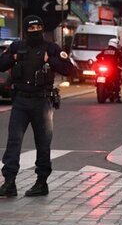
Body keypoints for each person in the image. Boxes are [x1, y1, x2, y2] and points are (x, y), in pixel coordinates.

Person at [0, 15, 73, 198]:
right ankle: (9, 182)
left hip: (42, 101)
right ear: (26, 31)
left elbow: (68, 69)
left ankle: (41, 182)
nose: (35, 32)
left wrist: (50, 60)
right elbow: (1, 64)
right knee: (13, 142)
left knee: (43, 144)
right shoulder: (17, 47)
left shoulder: (51, 48)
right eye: (31, 29)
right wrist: (14, 57)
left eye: (38, 28)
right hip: (21, 101)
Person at [96, 38, 122, 103]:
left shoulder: (105, 50)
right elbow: (121, 60)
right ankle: (117, 97)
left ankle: (113, 94)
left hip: (105, 68)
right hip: (112, 69)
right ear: (116, 44)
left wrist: (100, 61)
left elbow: (98, 56)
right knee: (117, 81)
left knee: (115, 80)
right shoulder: (116, 52)